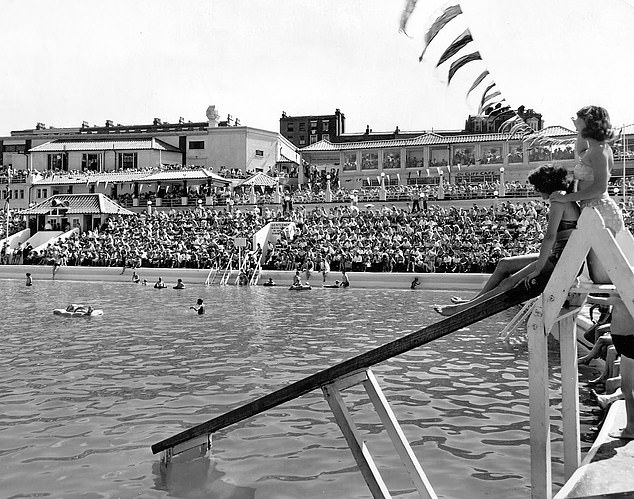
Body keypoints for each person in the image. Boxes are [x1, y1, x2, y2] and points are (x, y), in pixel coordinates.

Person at [435, 165, 580, 316]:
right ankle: (472, 302)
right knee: (504, 263)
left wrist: (537, 270)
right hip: (560, 255)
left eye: (537, 186)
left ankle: (462, 310)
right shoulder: (563, 197)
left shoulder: (559, 200)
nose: (536, 190)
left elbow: (550, 237)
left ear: (546, 184)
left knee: (509, 283)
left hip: (562, 259)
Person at [550, 105, 625, 284]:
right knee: (597, 274)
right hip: (592, 210)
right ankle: (608, 309)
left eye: (579, 120)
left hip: (601, 210)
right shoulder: (592, 149)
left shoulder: (600, 150)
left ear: (589, 122)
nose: (575, 122)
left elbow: (599, 187)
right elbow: (580, 151)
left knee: (600, 276)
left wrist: (566, 198)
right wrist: (579, 129)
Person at [585, 293, 634, 439]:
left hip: (629, 344)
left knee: (628, 389)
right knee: (626, 389)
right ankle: (630, 427)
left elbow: (594, 299)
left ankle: (631, 429)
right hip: (625, 346)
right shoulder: (621, 298)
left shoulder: (621, 298)